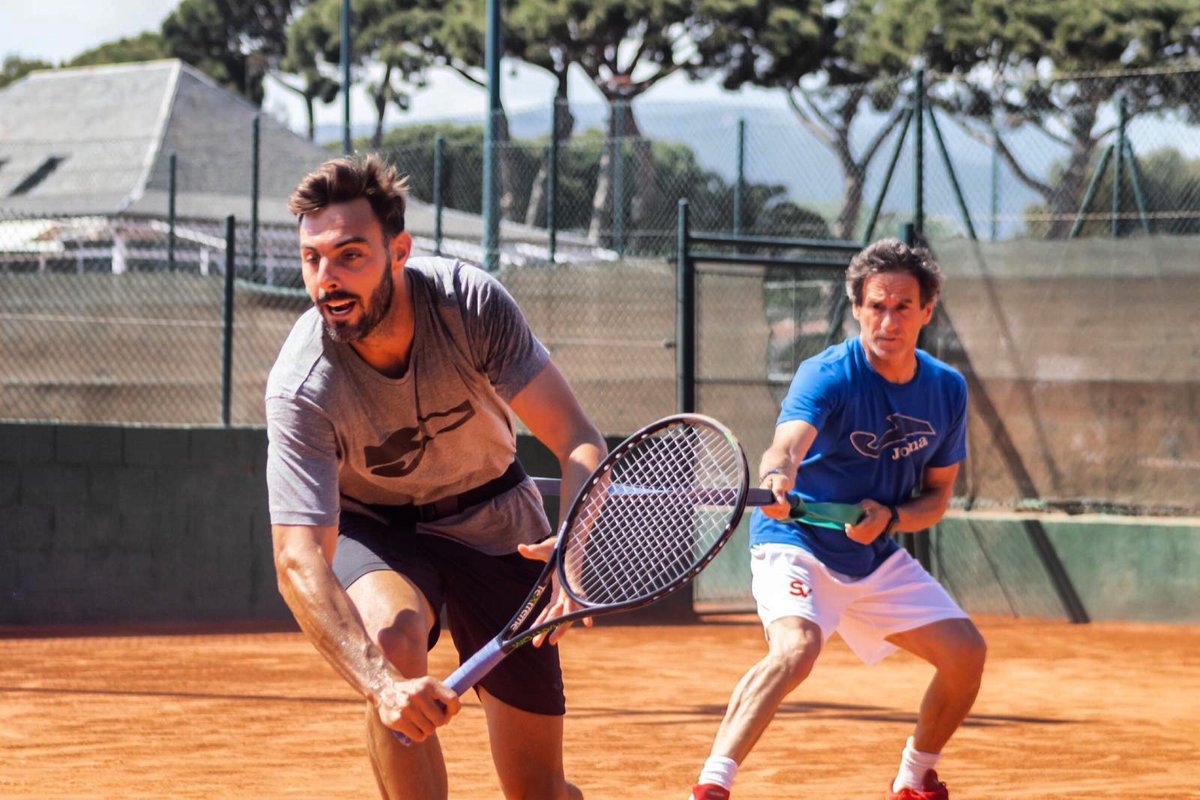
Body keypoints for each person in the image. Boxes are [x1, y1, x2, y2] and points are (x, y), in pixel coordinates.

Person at [265, 154, 606, 800]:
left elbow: (577, 440)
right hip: (377, 526)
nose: (326, 280)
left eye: (349, 256)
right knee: (391, 641)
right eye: (313, 259)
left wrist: (573, 550)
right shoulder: (301, 385)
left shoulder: (468, 305)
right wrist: (382, 686)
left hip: (496, 518)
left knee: (538, 790)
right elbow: (297, 558)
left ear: (399, 251)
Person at [689, 239, 987, 800]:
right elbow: (786, 447)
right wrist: (777, 478)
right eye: (876, 305)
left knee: (966, 654)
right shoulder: (828, 372)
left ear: (927, 311)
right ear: (857, 309)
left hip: (871, 555)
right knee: (797, 649)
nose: (888, 320)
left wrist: (892, 516)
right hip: (795, 540)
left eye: (903, 307)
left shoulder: (947, 389)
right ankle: (711, 786)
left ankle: (914, 777)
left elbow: (938, 498)